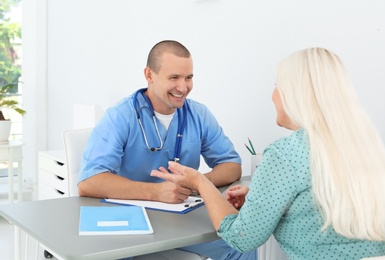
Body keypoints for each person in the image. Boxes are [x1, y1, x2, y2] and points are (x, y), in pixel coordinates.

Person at [151, 47, 385, 259]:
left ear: (295, 94)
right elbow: (319, 200)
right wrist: (263, 199)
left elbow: (241, 238)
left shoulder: (286, 153)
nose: (273, 94)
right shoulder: (365, 145)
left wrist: (200, 182)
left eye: (277, 85)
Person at [78, 40, 257, 259]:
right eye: (174, 78)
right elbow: (89, 182)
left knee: (242, 246)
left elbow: (231, 166)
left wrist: (195, 184)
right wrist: (157, 192)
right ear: (149, 75)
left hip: (181, 218)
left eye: (188, 77)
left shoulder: (198, 115)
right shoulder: (120, 116)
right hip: (130, 220)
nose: (183, 87)